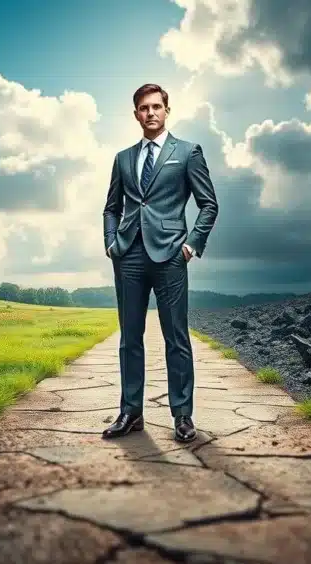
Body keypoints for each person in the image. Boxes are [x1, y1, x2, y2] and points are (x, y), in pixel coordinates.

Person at [101, 83, 219, 443]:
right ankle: (130, 413)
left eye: (156, 107)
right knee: (129, 339)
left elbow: (209, 203)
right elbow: (111, 207)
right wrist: (111, 243)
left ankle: (182, 415)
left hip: (170, 254)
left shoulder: (187, 152)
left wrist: (191, 246)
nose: (150, 113)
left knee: (176, 337)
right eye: (143, 108)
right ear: (135, 114)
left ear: (167, 110)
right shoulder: (123, 158)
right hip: (129, 255)